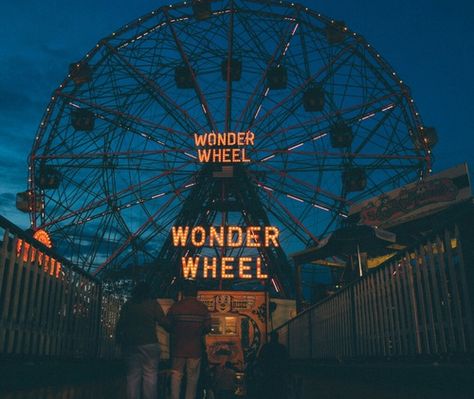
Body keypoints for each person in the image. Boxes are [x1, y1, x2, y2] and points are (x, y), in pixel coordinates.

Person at [116, 282, 169, 399]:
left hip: (131, 344)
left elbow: (121, 324)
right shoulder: (153, 304)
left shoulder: (128, 305)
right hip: (149, 343)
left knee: (132, 376)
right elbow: (163, 321)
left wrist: (118, 339)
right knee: (150, 376)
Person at [167, 280, 211, 399]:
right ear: (196, 293)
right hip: (195, 349)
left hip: (178, 347)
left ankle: (174, 397)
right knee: (192, 378)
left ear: (184, 293)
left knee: (176, 376)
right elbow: (208, 328)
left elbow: (168, 325)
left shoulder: (176, 307)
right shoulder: (203, 308)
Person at [257, 330, 289, 399]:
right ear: (277, 337)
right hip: (278, 374)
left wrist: (262, 370)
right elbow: (286, 361)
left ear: (270, 337)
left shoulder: (266, 347)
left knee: (268, 392)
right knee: (278, 392)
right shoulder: (281, 348)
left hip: (267, 374)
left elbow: (260, 359)